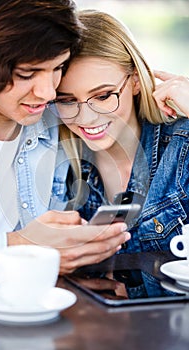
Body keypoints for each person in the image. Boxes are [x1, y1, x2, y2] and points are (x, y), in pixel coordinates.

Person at [0, 1, 130, 282]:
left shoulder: (58, 116)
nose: (48, 92)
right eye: (27, 74)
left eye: (58, 67)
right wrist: (15, 246)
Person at [50, 10, 189, 296]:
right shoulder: (57, 164)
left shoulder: (182, 145)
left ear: (136, 80)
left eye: (102, 96)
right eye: (67, 100)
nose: (86, 118)